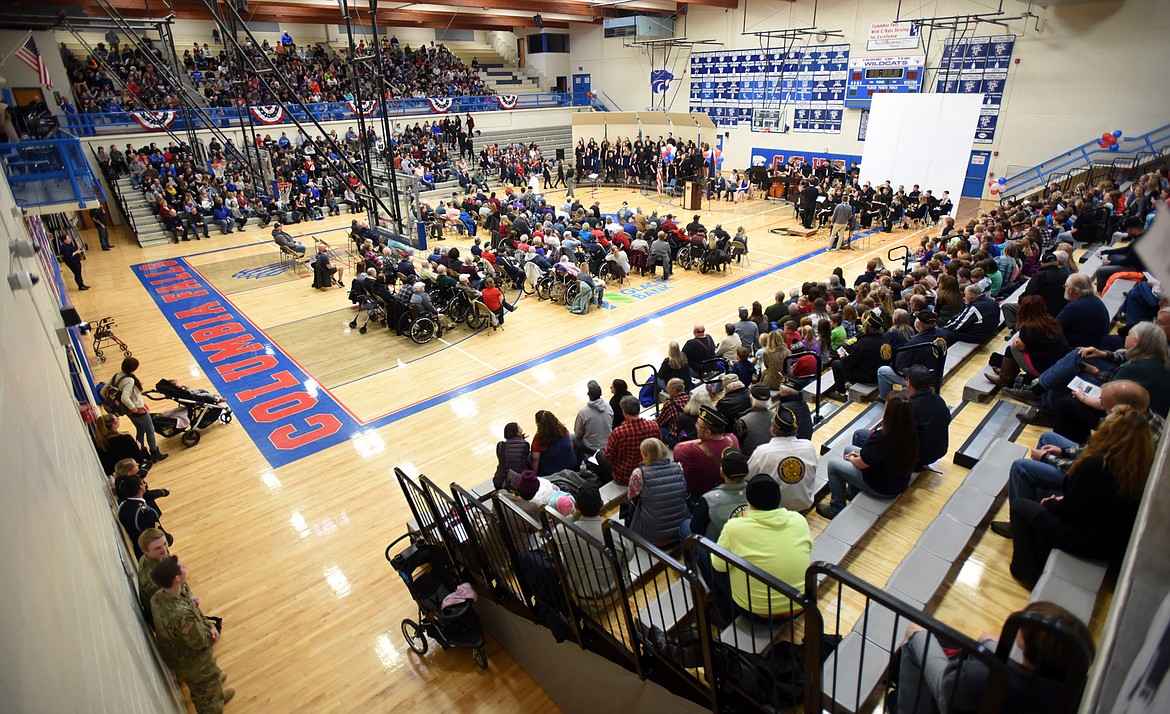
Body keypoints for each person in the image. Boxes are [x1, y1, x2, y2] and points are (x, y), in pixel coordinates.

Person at [989, 380, 1160, 538]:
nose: (1103, 411)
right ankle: (1037, 499)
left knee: (1021, 467)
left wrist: (1048, 458)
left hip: (1094, 488)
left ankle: (1021, 525)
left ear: (1124, 409)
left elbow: (1086, 470)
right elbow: (1092, 451)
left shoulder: (1130, 438)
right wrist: (1062, 450)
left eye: (1106, 407)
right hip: (1093, 473)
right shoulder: (1147, 421)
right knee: (1048, 438)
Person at [1008, 405, 1155, 588]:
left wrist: (1052, 503)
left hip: (1089, 540)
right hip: (1115, 541)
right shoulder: (1139, 465)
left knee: (1020, 506)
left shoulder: (1097, 464)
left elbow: (1070, 510)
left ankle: (1025, 571)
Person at [891, 601, 1092, 714]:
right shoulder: (1077, 693)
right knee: (988, 638)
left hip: (960, 696)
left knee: (916, 632)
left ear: (1023, 642)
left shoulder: (981, 677)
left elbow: (948, 686)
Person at [711, 475, 812, 618]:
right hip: (801, 605)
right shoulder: (799, 519)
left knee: (706, 554)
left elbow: (719, 566)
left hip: (758, 613)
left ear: (749, 501)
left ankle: (724, 612)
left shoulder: (734, 527)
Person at [150, 556, 235, 712]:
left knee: (210, 682)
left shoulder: (159, 596)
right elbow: (199, 641)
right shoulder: (181, 615)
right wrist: (212, 631)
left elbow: (191, 612)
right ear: (176, 578)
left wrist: (206, 624)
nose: (185, 567)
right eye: (182, 567)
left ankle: (217, 696)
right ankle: (213, 706)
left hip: (177, 653)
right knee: (205, 688)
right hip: (190, 660)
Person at [818, 394, 919, 519]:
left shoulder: (882, 437)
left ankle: (836, 509)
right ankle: (852, 492)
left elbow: (862, 463)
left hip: (883, 487)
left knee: (833, 465)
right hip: (899, 480)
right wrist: (855, 456)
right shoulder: (911, 431)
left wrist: (852, 458)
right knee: (849, 450)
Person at [552, 484, 631, 598]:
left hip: (580, 594)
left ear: (576, 506)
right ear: (602, 504)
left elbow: (558, 529)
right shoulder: (616, 533)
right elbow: (628, 556)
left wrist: (575, 515)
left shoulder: (561, 531)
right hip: (615, 592)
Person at [747, 404, 818, 511]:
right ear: (796, 428)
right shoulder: (809, 446)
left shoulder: (762, 452)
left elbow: (748, 477)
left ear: (772, 431)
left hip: (773, 507)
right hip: (804, 503)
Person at [988, 295, 1068, 390]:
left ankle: (1004, 380)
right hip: (1056, 364)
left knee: (1011, 349)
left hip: (1041, 367)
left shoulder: (1029, 326)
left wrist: (1017, 340)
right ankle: (1008, 374)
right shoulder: (1050, 319)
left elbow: (1020, 346)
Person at [626, 437, 688, 547]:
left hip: (653, 534)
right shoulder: (678, 467)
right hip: (680, 528)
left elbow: (631, 496)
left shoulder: (639, 473)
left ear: (646, 455)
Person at [681, 447, 749, 541]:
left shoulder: (708, 499)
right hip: (748, 544)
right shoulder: (758, 491)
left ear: (721, 472)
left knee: (685, 524)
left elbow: (696, 529)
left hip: (717, 551)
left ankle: (691, 555)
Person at [875, 309, 945, 401]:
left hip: (921, 380)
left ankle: (886, 400)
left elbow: (899, 366)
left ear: (918, 324)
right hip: (937, 375)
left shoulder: (914, 342)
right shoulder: (942, 334)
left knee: (882, 371)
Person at [673, 406, 740, 499]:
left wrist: (700, 441)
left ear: (708, 432)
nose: (696, 427)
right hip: (727, 491)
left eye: (698, 425)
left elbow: (677, 448)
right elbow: (724, 435)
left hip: (701, 495)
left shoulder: (693, 451)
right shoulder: (732, 439)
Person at [136, 527, 201, 622]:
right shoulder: (155, 578)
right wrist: (190, 600)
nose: (164, 549)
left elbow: (177, 576)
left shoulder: (156, 556)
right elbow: (174, 600)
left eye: (165, 543)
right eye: (158, 548)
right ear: (145, 551)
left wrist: (189, 594)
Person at [113, 357, 167, 461]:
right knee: (150, 431)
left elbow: (103, 391)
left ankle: (140, 452)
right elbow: (125, 397)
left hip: (127, 411)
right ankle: (154, 453)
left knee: (140, 429)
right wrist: (133, 408)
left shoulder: (116, 376)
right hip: (137, 410)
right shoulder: (129, 380)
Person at [115, 461, 171, 559]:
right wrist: (169, 539)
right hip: (155, 553)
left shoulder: (123, 506)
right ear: (141, 487)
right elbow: (158, 534)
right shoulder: (146, 512)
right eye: (142, 483)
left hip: (140, 551)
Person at [828, 311, 889, 396]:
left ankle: (841, 392)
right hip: (880, 373)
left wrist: (842, 357)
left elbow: (849, 363)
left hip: (867, 377)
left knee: (836, 364)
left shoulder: (863, 343)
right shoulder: (885, 339)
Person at [904, 366, 951, 469]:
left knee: (862, 436)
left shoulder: (911, 406)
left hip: (919, 456)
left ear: (908, 383)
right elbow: (947, 419)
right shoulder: (939, 400)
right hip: (940, 450)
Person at [572, 380, 613, 459]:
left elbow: (578, 433)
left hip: (591, 448)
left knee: (571, 437)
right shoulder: (608, 407)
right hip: (607, 444)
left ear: (588, 394)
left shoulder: (583, 412)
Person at [531, 410, 578, 476]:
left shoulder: (538, 438)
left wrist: (534, 476)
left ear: (538, 423)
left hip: (551, 472)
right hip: (570, 464)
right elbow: (571, 443)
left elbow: (535, 460)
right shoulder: (563, 429)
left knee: (529, 456)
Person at [735, 384, 776, 457]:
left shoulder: (743, 421)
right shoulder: (777, 416)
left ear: (750, 399)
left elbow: (738, 444)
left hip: (751, 459)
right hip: (773, 456)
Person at [493, 422, 531, 490]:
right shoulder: (525, 444)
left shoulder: (500, 445)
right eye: (520, 428)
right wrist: (522, 440)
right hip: (519, 481)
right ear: (516, 432)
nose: (522, 430)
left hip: (500, 480)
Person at [657, 378, 691, 446]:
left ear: (674, 390)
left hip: (678, 438)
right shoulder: (691, 399)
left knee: (657, 428)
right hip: (691, 434)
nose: (667, 391)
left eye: (668, 389)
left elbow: (659, 423)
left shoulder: (670, 404)